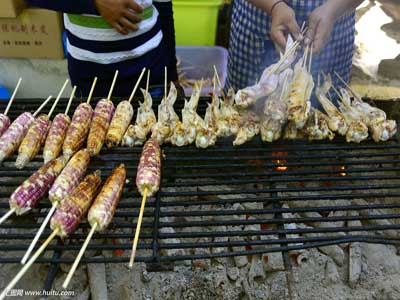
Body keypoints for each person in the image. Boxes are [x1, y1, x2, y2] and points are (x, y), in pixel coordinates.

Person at [26, 0, 178, 97]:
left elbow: (163, 6)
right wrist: (93, 3)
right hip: (90, 72)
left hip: (151, 68)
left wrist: (171, 74)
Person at [226, 0, 364, 105]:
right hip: (258, 27)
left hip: (333, 30)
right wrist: (273, 6)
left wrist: (334, 10)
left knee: (329, 111)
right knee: (243, 108)